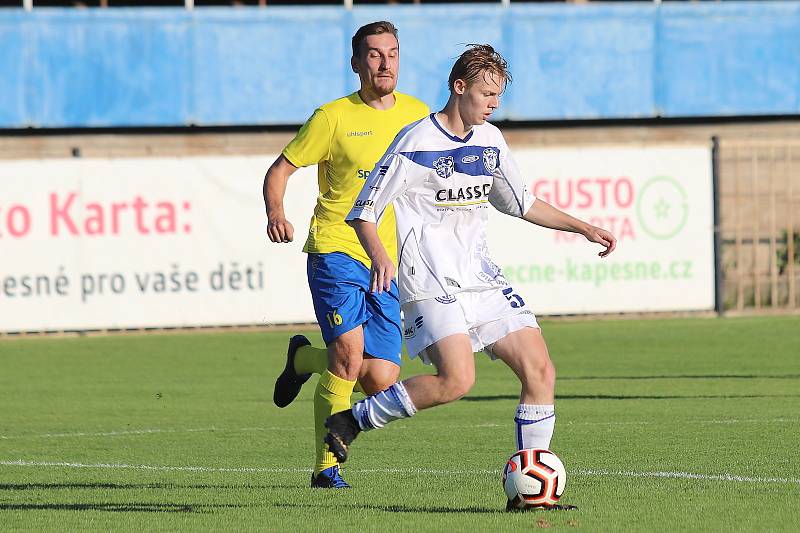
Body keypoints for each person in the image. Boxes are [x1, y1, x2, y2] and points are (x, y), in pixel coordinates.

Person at [324, 44, 616, 507]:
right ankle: (353, 420)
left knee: (540, 369)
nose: (492, 104)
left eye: (497, 97)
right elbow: (364, 211)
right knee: (457, 381)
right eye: (486, 95)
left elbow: (520, 202)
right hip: (430, 281)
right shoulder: (415, 141)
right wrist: (380, 256)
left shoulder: (491, 140)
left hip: (480, 278)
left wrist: (583, 227)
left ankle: (531, 495)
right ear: (459, 88)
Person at [263, 21, 429, 489]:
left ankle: (301, 361)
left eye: (392, 53)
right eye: (374, 55)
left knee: (379, 377)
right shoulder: (332, 117)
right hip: (336, 248)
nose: (384, 62)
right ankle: (326, 467)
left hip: (385, 258)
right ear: (356, 63)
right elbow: (280, 169)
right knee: (348, 354)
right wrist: (276, 211)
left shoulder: (418, 115)